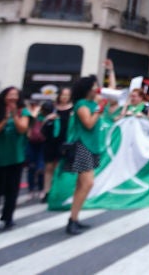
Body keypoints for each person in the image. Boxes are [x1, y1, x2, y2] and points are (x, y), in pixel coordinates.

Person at [0, 87, 37, 233]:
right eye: (10, 95)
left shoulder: (22, 111)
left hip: (15, 156)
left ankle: (8, 218)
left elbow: (22, 129)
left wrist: (14, 115)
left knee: (12, 189)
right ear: (4, 96)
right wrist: (4, 119)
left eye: (15, 95)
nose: (13, 98)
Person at [65, 75, 103, 236]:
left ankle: (74, 218)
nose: (97, 89)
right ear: (88, 89)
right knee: (87, 184)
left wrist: (111, 71)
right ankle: (72, 220)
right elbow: (88, 123)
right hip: (83, 146)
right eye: (94, 86)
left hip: (90, 146)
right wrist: (99, 109)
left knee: (82, 185)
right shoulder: (81, 104)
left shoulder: (92, 104)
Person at [42, 87, 73, 201]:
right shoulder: (53, 108)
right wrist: (48, 118)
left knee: (59, 166)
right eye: (63, 95)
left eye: (67, 95)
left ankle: (56, 190)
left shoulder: (72, 109)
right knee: (48, 166)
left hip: (64, 141)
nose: (65, 98)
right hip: (51, 140)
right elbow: (43, 123)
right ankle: (47, 191)